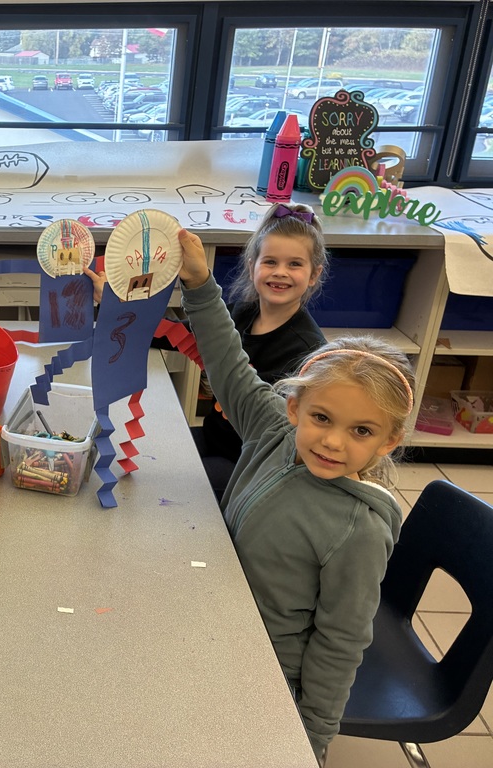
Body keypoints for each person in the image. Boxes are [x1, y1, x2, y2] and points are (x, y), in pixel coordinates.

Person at [176, 228, 415, 766]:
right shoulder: (272, 431)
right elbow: (230, 363)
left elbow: (340, 643)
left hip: (263, 667)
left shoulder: (360, 528)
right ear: (294, 409)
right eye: (322, 419)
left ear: (389, 441)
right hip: (220, 614)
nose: (332, 441)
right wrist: (197, 282)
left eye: (361, 431)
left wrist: (310, 739)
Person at [86, 202, 329, 501]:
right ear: (252, 265)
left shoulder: (307, 351)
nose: (280, 273)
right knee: (149, 464)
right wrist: (116, 308)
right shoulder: (243, 311)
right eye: (270, 262)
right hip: (215, 440)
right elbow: (182, 333)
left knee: (160, 493)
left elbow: (286, 441)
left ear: (314, 274)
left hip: (250, 466)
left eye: (294, 264)